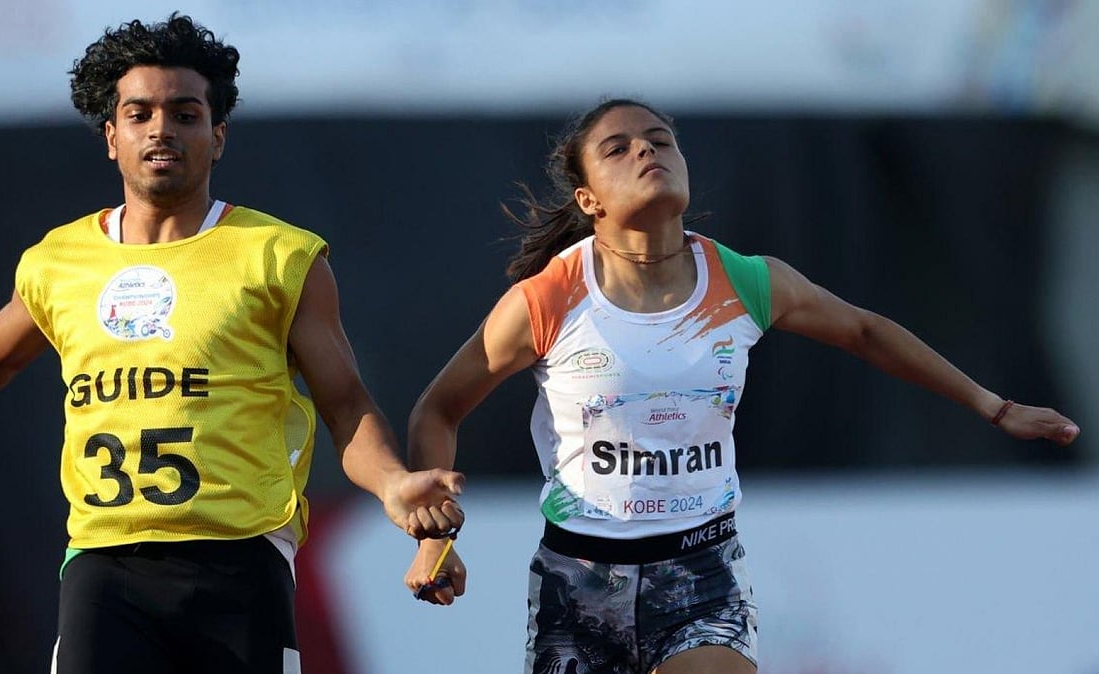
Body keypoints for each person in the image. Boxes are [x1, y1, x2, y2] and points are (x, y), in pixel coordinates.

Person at [402, 98, 1080, 674]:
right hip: (581, 574)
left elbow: (868, 333)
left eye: (661, 140)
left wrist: (997, 407)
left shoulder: (747, 282)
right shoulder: (548, 300)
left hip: (701, 565)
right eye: (619, 148)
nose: (647, 151)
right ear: (589, 200)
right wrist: (435, 536)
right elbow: (438, 408)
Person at [0, 13, 464, 674]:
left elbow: (345, 404)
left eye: (185, 113)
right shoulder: (59, 261)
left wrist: (394, 484)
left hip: (240, 565)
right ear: (111, 137)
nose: (161, 128)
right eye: (138, 113)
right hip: (104, 565)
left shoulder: (279, 256)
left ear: (217, 136)